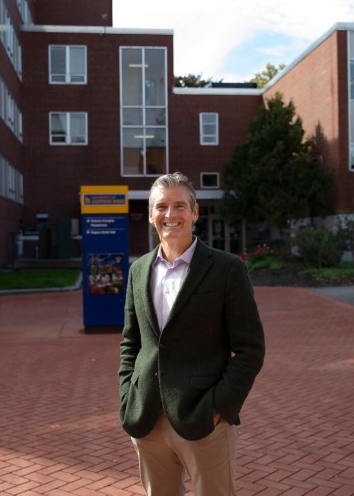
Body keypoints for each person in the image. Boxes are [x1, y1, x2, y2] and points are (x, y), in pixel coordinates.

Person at [118, 172, 265, 496]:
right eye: (162, 207)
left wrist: (220, 406)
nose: (170, 215)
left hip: (205, 421)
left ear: (195, 212)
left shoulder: (227, 269)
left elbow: (250, 349)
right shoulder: (138, 270)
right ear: (151, 214)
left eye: (180, 206)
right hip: (147, 419)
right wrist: (129, 393)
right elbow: (132, 341)